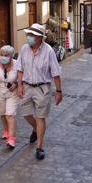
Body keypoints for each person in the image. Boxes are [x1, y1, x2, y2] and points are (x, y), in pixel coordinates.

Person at [17, 23, 63, 160]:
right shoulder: (24, 49)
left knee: (40, 117)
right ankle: (36, 129)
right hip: (26, 86)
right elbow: (19, 68)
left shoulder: (48, 51)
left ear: (39, 37)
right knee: (25, 114)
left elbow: (55, 72)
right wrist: (19, 85)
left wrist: (59, 91)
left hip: (42, 88)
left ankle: (39, 147)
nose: (28, 37)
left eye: (31, 35)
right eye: (28, 34)